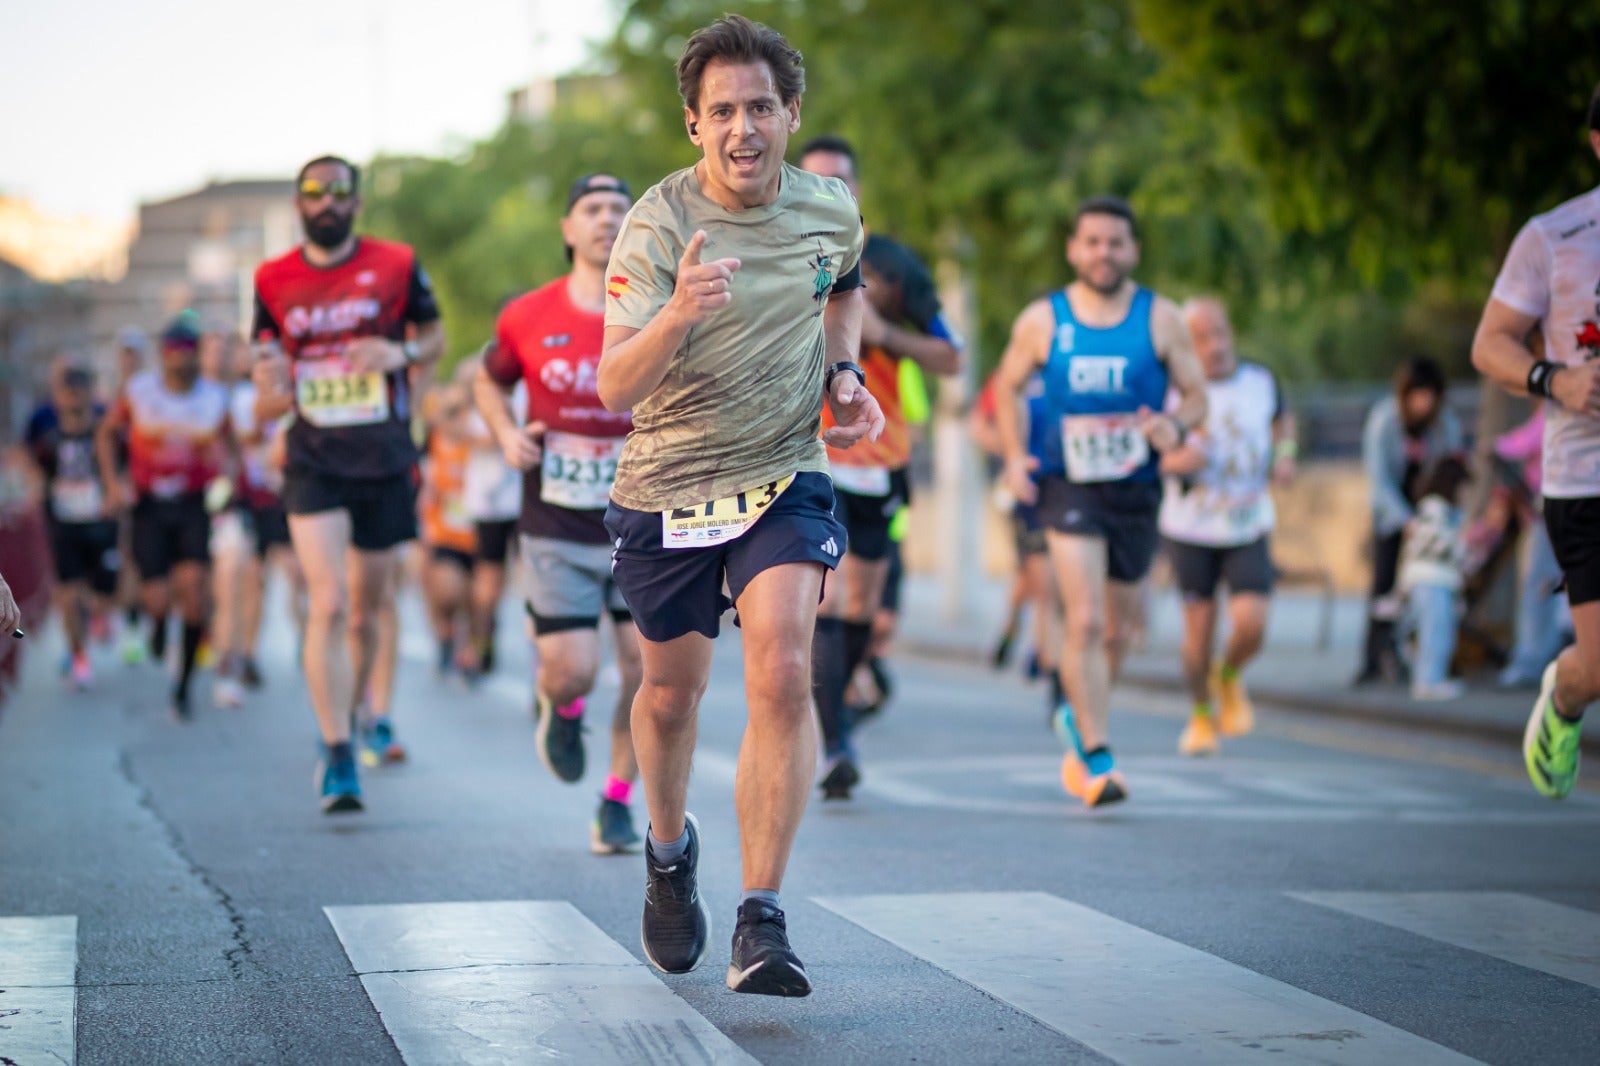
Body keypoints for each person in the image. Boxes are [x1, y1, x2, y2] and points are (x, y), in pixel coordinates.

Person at [597, 15, 882, 996]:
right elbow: (613, 388)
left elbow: (842, 290)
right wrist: (678, 310)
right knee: (671, 695)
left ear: (790, 112)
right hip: (667, 486)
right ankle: (669, 854)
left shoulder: (829, 209)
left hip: (782, 470)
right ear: (693, 124)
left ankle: (762, 917)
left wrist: (842, 372)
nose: (743, 128)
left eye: (760, 106)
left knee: (784, 665)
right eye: (722, 111)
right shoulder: (658, 224)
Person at [992, 195, 1207, 808]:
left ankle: (1080, 720)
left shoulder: (1161, 318)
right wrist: (1013, 455)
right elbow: (1006, 387)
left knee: (1121, 628)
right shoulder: (1044, 319)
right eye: (1092, 242)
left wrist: (1176, 426)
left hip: (1135, 489)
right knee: (1083, 619)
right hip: (1068, 484)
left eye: (1115, 242)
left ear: (1132, 250)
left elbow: (1196, 396)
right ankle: (1096, 751)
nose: (1103, 253)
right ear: (1073, 250)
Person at [250, 155, 443, 813]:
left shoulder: (395, 263)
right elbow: (265, 367)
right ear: (299, 202)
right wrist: (271, 389)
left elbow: (435, 336)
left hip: (385, 455)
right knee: (327, 602)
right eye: (314, 192)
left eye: (339, 192)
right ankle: (337, 752)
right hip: (313, 457)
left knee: (367, 605)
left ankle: (359, 711)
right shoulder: (272, 278)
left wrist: (401, 353)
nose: (327, 201)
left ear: (356, 203)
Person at [474, 173, 646, 854]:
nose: (606, 219)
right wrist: (504, 433)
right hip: (555, 521)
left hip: (643, 516)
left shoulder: (660, 303)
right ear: (568, 229)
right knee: (573, 666)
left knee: (647, 672)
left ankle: (618, 799)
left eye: (618, 209)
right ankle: (564, 706)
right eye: (592, 210)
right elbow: (490, 380)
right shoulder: (527, 315)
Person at [797, 139, 963, 796]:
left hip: (880, 458)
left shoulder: (892, 266)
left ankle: (837, 709)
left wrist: (881, 333)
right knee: (831, 594)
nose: (827, 191)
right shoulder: (775, 255)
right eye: (812, 181)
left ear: (857, 190)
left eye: (839, 180)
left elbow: (951, 358)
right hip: (807, 454)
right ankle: (834, 740)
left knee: (864, 601)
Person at [1472, 80, 1600, 800]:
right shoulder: (1555, 236)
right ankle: (1566, 694)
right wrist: (1556, 380)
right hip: (1586, 480)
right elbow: (1489, 345)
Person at [1158, 298, 1296, 755]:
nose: (1214, 346)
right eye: (1201, 338)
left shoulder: (1260, 380)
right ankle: (1200, 715)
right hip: (1192, 528)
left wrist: (1285, 456)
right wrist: (1183, 460)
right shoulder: (1173, 392)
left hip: (1248, 520)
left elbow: (1283, 419)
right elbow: (1155, 457)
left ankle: (1230, 674)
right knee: (1198, 634)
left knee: (1252, 623)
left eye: (1219, 333)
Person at [95, 314, 233, 719]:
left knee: (195, 593)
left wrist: (229, 480)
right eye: (173, 355)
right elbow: (106, 433)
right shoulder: (138, 392)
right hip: (149, 505)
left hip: (193, 503)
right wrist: (112, 483)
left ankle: (184, 687)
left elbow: (232, 444)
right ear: (162, 356)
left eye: (188, 354)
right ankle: (156, 623)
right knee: (157, 597)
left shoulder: (214, 396)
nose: (180, 362)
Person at [1355, 356, 1463, 685]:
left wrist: (1442, 520)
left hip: (1430, 515)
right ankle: (1373, 660)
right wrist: (1404, 520)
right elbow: (1379, 480)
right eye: (1417, 394)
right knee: (1385, 584)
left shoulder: (1444, 423)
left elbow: (1451, 471)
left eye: (1430, 394)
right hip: (1392, 513)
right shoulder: (1384, 421)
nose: (1424, 402)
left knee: (1431, 586)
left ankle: (1420, 657)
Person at [29, 362, 120, 688]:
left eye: (79, 390)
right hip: (63, 523)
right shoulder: (49, 438)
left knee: (103, 596)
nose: (74, 398)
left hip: (100, 523)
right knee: (68, 595)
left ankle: (98, 619)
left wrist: (116, 494)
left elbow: (121, 470)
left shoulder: (105, 433)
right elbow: (35, 471)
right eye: (67, 391)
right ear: (58, 397)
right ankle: (79, 656)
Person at [458, 354, 524, 680]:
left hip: (526, 501)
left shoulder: (524, 392)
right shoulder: (477, 402)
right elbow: (473, 436)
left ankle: (545, 663)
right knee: (488, 582)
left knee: (532, 584)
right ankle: (482, 642)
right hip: (489, 505)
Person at [1396, 455, 1472, 701]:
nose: (1467, 494)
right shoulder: (1435, 510)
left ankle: (1434, 678)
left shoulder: (1447, 512)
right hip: (1429, 579)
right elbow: (1439, 545)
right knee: (1433, 632)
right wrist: (1465, 548)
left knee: (1441, 631)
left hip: (1439, 580)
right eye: (1464, 488)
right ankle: (1427, 680)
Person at [418, 382, 478, 678]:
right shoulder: (433, 442)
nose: (456, 419)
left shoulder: (480, 442)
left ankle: (468, 648)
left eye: (462, 411)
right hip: (443, 531)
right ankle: (445, 632)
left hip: (478, 532)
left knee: (474, 597)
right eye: (450, 412)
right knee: (447, 591)